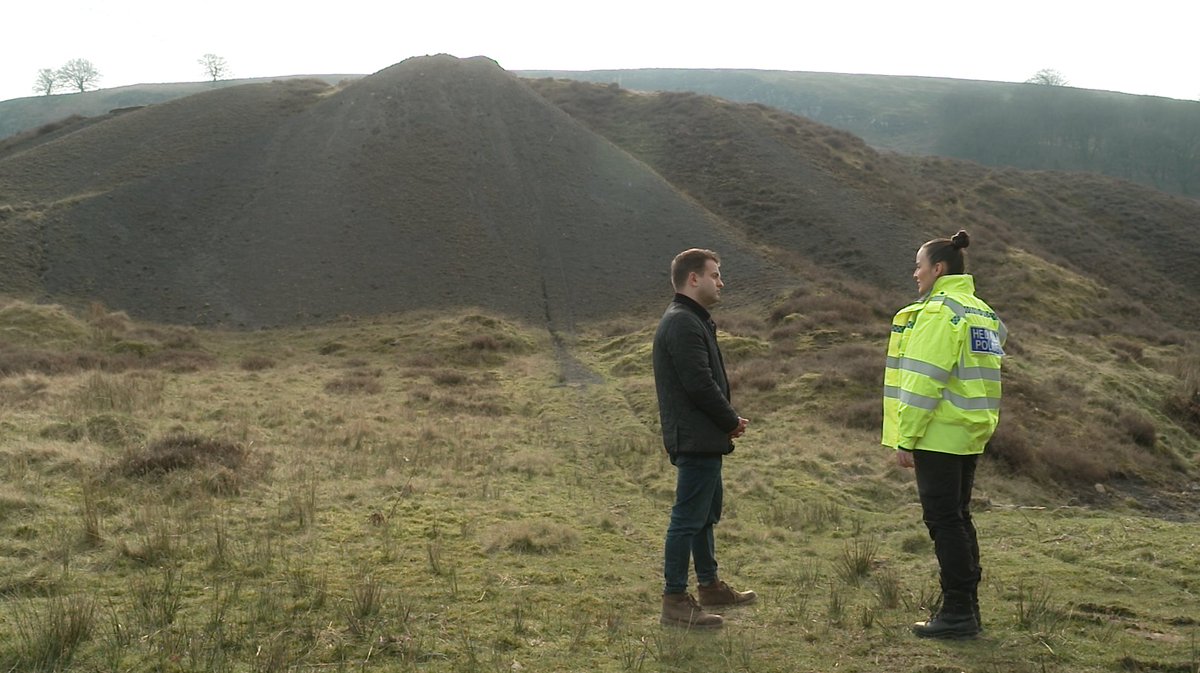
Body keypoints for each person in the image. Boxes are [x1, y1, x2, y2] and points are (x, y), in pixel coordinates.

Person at [882, 230, 1005, 640]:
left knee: (944, 521)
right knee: (958, 517)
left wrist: (906, 437)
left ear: (938, 269)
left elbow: (924, 382)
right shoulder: (981, 312)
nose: (914, 273)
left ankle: (957, 612)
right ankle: (967, 607)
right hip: (969, 432)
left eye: (918, 266)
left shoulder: (937, 312)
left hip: (938, 434)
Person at [652, 248, 755, 630]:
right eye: (715, 274)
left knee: (704, 514)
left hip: (702, 436)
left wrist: (724, 423)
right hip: (696, 438)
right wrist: (729, 420)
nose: (721, 281)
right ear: (693, 279)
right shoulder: (682, 322)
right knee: (687, 518)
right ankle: (675, 599)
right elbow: (699, 384)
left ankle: (709, 585)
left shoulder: (691, 320)